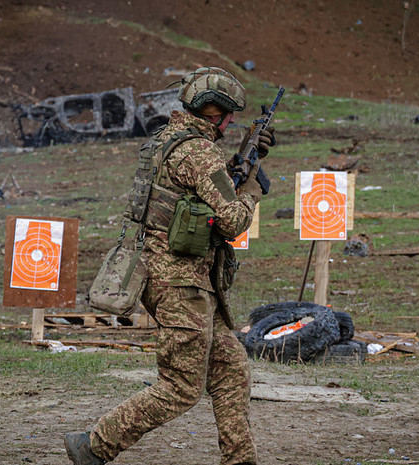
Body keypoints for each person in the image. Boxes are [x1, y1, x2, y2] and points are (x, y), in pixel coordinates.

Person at [64, 67, 275, 465]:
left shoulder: (167, 140)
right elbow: (232, 220)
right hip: (180, 285)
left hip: (172, 278)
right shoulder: (198, 152)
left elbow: (198, 191)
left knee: (230, 368)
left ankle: (240, 459)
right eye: (228, 114)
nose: (232, 122)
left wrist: (244, 160)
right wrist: (251, 189)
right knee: (180, 387)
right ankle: (94, 446)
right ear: (213, 111)